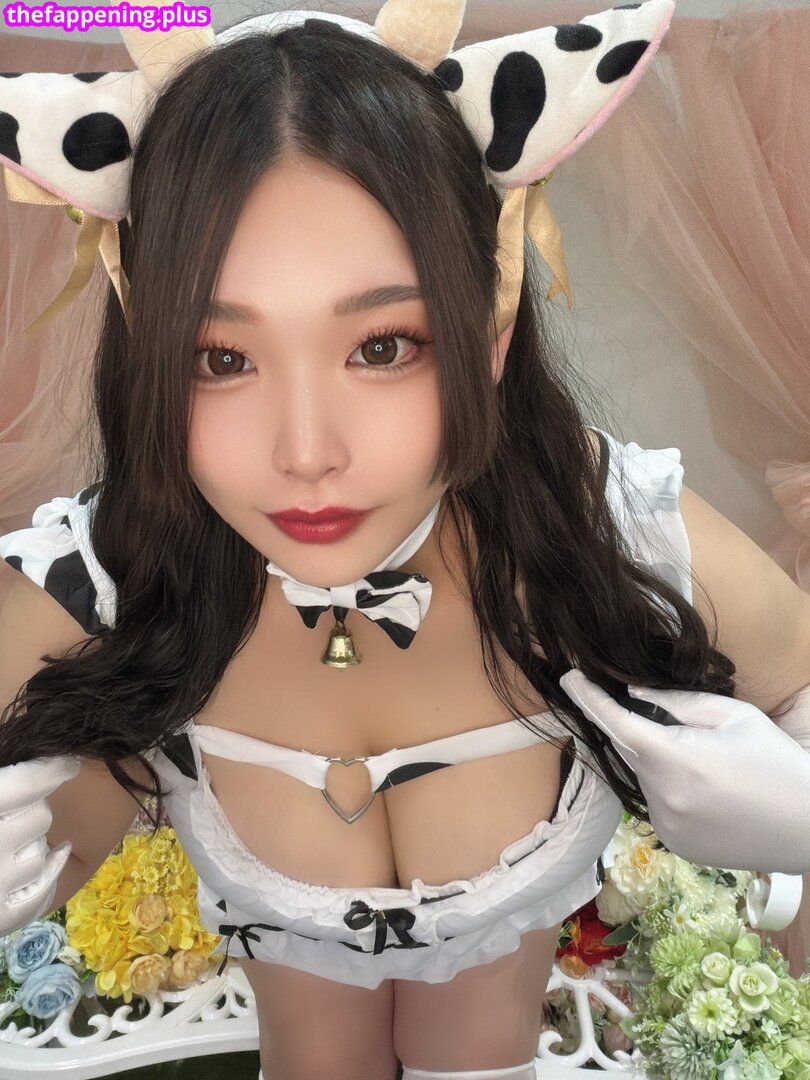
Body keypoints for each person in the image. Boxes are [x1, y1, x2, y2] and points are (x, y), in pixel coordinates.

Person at [3, 3, 810, 1078]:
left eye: (383, 346)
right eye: (220, 359)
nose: (306, 453)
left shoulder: (614, 532)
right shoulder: (105, 573)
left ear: (492, 326)